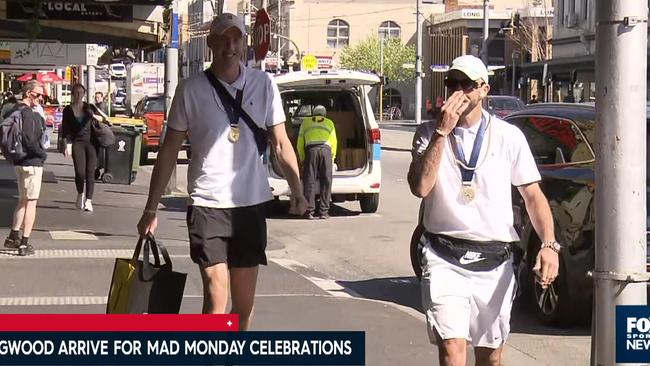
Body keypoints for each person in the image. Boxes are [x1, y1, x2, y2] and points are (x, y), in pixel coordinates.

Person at [136, 13, 307, 329]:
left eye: (236, 39)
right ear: (211, 43)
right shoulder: (190, 90)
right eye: (223, 39)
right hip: (207, 204)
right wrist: (150, 207)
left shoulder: (264, 85)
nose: (230, 46)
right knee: (217, 298)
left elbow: (281, 143)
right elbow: (169, 151)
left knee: (243, 305)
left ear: (244, 43)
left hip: (250, 206)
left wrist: (297, 190)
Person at [407, 55, 560, 366]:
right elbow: (420, 187)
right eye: (452, 84)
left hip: (495, 258)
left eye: (467, 85)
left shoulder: (508, 136)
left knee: (490, 357)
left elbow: (532, 195)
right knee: (452, 349)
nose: (458, 92)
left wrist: (548, 245)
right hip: (443, 256)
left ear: (484, 90)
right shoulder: (428, 133)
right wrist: (441, 132)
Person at [3, 81, 47, 256]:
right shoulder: (29, 113)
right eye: (38, 94)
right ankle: (24, 242)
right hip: (32, 163)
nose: (41, 98)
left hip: (18, 162)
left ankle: (13, 236)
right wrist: (41, 154)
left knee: (22, 199)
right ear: (29, 93)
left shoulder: (13, 110)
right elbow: (30, 140)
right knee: (31, 202)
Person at [61, 84, 106, 212]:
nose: (79, 95)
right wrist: (66, 144)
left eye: (81, 93)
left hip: (92, 142)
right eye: (76, 93)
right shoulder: (68, 110)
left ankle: (89, 200)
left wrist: (93, 115)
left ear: (84, 94)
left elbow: (103, 119)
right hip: (77, 143)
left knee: (90, 172)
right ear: (72, 94)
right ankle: (80, 193)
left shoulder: (89, 107)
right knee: (80, 172)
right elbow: (65, 129)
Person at [296, 105, 337, 219]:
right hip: (326, 151)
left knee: (309, 180)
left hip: (311, 151)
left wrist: (303, 159)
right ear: (324, 114)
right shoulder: (329, 122)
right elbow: (334, 142)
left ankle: (309, 211)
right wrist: (332, 158)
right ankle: (324, 212)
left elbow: (300, 142)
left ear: (314, 113)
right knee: (326, 180)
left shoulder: (306, 122)